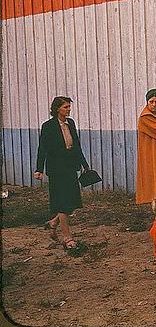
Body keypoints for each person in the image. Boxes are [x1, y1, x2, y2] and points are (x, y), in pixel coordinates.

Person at [34, 96, 91, 251]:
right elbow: (42, 148)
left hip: (70, 166)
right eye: (66, 107)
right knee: (63, 203)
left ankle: (53, 222)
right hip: (57, 169)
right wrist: (39, 169)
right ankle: (67, 238)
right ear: (57, 108)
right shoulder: (48, 126)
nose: (68, 109)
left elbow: (77, 145)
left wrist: (85, 166)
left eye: (69, 107)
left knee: (71, 202)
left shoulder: (70, 123)